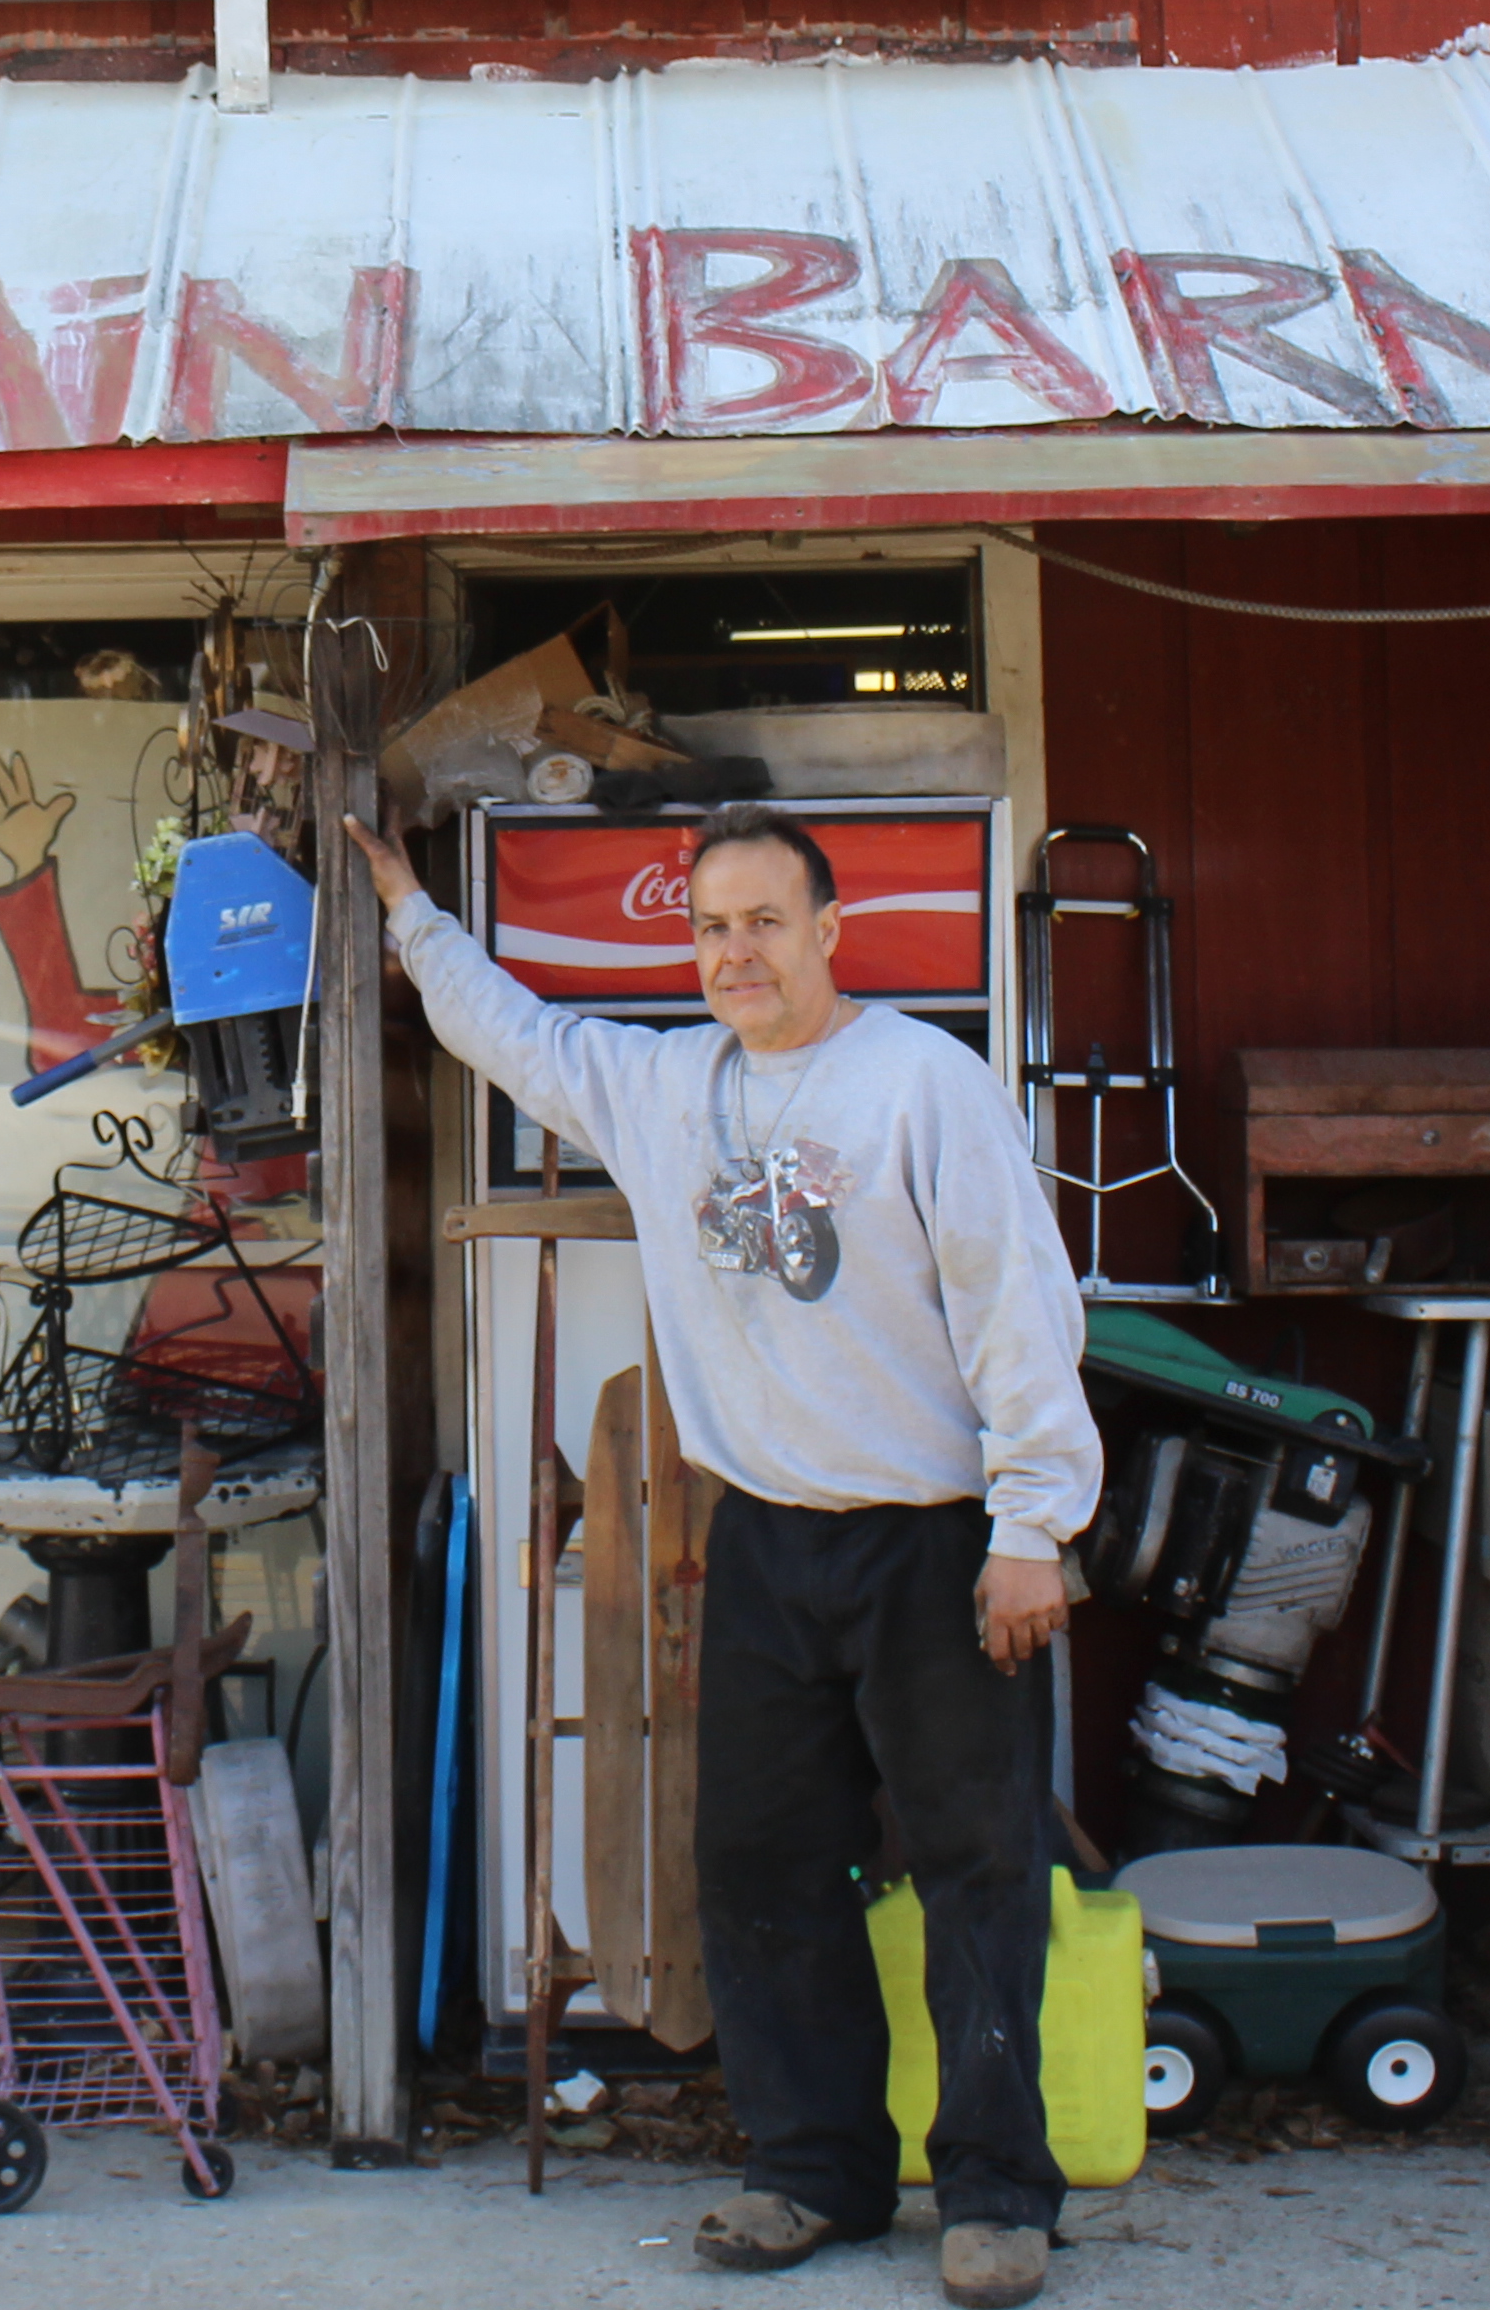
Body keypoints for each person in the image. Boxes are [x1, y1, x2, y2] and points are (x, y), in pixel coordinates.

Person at [344, 800, 1101, 2307]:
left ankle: (998, 2196)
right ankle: (813, 2170)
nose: (734, 952)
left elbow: (1022, 1313)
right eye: (708, 926)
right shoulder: (662, 1086)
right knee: (758, 1862)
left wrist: (1034, 1530)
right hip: (763, 1543)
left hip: (940, 1545)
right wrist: (413, 920)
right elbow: (516, 1035)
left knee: (978, 1868)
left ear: (831, 931)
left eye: (764, 920)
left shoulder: (920, 1087)